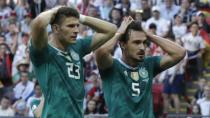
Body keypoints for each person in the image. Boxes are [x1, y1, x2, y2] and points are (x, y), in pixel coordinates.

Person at [29, 6, 117, 118]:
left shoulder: (78, 47)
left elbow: (111, 29)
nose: (76, 30)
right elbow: (39, 23)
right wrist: (55, 10)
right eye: (70, 26)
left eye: (77, 25)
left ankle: (38, 107)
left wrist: (81, 17)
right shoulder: (43, 52)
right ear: (55, 28)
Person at [95, 17, 186, 118]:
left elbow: (180, 53)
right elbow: (101, 52)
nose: (142, 47)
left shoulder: (149, 64)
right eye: (136, 42)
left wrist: (149, 35)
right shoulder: (112, 66)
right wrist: (119, 32)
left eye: (144, 42)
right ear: (123, 44)